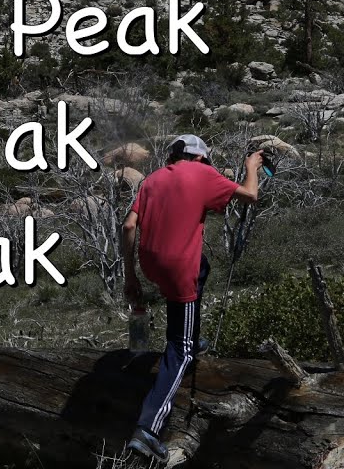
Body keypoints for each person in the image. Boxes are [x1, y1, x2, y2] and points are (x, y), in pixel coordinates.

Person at [122, 134, 263, 462]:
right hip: (176, 267)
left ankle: (182, 339)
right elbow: (251, 195)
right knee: (181, 350)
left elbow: (129, 226)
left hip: (150, 263)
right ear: (200, 158)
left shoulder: (153, 179)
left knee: (202, 266)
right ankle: (147, 429)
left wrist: (131, 276)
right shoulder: (202, 172)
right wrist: (251, 167)